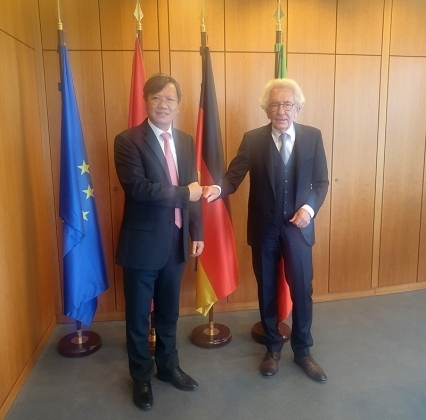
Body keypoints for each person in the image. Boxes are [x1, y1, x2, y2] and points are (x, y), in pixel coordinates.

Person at [203, 78, 329, 382]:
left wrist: (309, 210)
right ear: (266, 108)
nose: (281, 110)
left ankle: (303, 351)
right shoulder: (253, 139)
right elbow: (234, 176)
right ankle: (272, 348)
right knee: (268, 289)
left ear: (297, 108)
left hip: (298, 229)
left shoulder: (313, 136)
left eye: (287, 104)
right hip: (264, 229)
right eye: (274, 104)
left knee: (302, 290)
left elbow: (321, 182)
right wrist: (217, 189)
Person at [114, 73, 204, 410]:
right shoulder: (127, 141)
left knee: (169, 313)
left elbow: (194, 190)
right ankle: (141, 377)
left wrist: (197, 232)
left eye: (169, 98)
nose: (162, 104)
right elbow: (138, 189)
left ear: (178, 105)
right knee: (139, 317)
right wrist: (183, 193)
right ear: (145, 101)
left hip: (176, 243)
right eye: (156, 97)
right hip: (142, 245)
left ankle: (168, 367)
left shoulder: (185, 140)